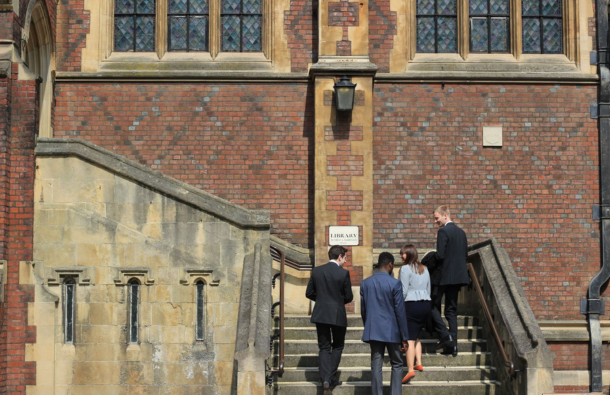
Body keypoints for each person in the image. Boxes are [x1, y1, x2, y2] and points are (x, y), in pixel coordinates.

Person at [305, 245, 354, 394]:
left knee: (324, 347)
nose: (345, 261)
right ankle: (329, 377)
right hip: (338, 313)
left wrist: (320, 300)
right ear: (339, 256)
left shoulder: (317, 271)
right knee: (338, 346)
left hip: (321, 313)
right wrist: (338, 301)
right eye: (345, 258)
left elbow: (309, 293)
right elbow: (349, 297)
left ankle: (326, 379)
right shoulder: (343, 273)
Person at [360, 252, 409, 395]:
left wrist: (368, 325)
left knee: (376, 364)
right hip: (392, 330)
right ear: (390, 265)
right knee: (397, 363)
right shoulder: (395, 283)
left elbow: (364, 310)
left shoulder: (365, 283)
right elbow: (400, 311)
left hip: (374, 329)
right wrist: (404, 336)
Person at [429, 205, 470, 357]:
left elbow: (440, 256)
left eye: (436, 218)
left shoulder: (443, 232)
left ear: (445, 215)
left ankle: (446, 337)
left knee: (432, 306)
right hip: (458, 278)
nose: (435, 221)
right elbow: (465, 254)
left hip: (444, 277)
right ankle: (453, 347)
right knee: (451, 311)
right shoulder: (461, 233)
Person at [398, 244, 431, 384]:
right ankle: (419, 362)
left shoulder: (405, 269)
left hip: (411, 304)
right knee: (417, 335)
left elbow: (403, 290)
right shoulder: (425, 268)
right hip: (425, 304)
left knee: (409, 338)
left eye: (403, 253)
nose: (401, 256)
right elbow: (428, 288)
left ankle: (410, 369)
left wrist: (399, 305)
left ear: (409, 254)